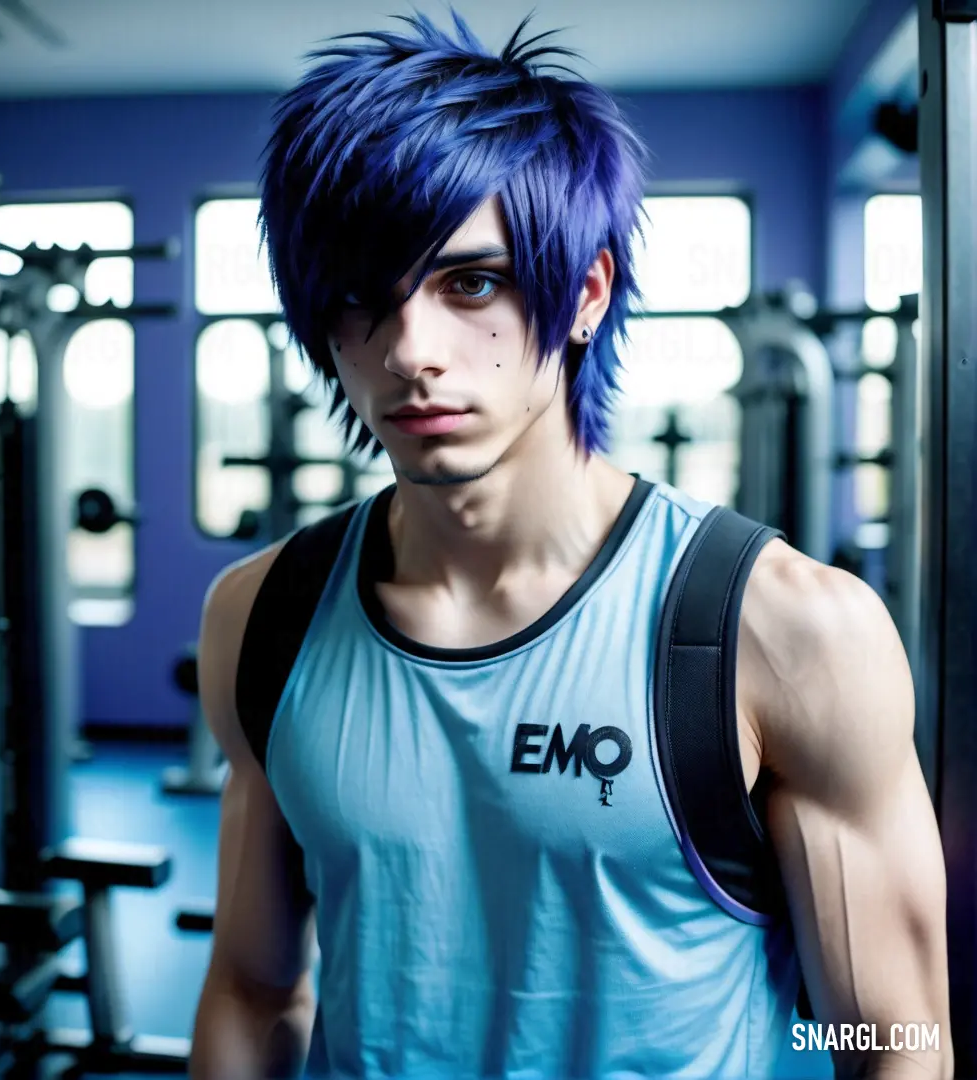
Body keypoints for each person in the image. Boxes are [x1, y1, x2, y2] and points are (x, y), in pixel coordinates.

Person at [190, 11, 952, 1079]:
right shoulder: (260, 617)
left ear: (585, 292)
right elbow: (257, 992)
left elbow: (894, 1041)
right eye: (365, 299)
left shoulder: (782, 632)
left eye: (470, 284)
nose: (413, 352)